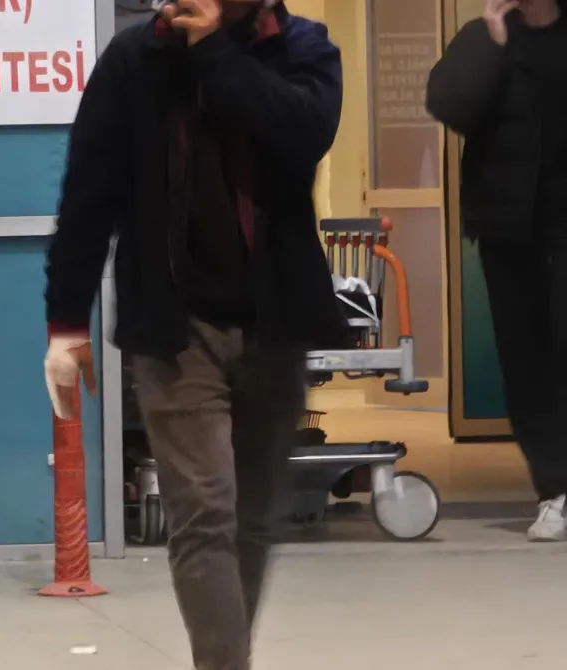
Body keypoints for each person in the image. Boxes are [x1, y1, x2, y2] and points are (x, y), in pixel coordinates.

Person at [42, 1, 345, 667]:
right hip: (177, 331)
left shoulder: (303, 49)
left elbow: (301, 134)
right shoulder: (134, 61)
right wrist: (65, 324)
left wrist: (214, 52)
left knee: (252, 520)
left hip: (274, 326)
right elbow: (88, 194)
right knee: (205, 514)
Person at [426, 0, 567, 542]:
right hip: (508, 227)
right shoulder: (481, 35)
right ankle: (554, 491)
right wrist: (491, 43)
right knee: (525, 360)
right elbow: (449, 106)